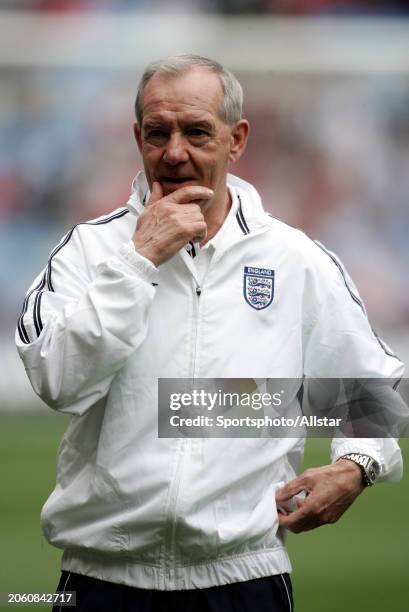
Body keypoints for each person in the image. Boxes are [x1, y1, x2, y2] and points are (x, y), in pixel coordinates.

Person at [16, 54, 404, 612]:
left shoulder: (293, 259)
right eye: (158, 133)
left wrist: (356, 466)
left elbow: (374, 391)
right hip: (102, 581)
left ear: (236, 139)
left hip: (244, 579)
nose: (175, 153)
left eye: (197, 131)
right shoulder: (90, 250)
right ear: (137, 137)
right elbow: (59, 382)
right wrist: (139, 260)